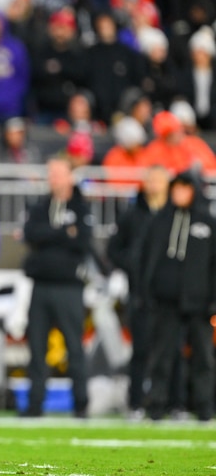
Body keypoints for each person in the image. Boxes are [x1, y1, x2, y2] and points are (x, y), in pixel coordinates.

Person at [138, 171, 215, 422]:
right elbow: (146, 258)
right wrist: (146, 290)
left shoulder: (207, 222)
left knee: (203, 357)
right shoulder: (160, 220)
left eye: (185, 189)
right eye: (176, 189)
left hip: (199, 303)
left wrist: (213, 300)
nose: (180, 194)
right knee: (162, 356)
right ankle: (158, 405)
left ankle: (204, 407)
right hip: (165, 300)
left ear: (194, 191)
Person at [21, 156, 92, 418]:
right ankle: (34, 405)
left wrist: (48, 235)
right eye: (50, 173)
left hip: (69, 287)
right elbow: (30, 233)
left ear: (70, 176)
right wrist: (63, 232)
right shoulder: (40, 205)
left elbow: (83, 241)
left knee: (75, 347)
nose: (53, 178)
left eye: (58, 173)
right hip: (41, 286)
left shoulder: (82, 207)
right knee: (36, 348)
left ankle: (81, 405)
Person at [106, 165, 170, 419]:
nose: (153, 184)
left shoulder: (174, 216)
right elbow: (113, 250)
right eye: (150, 179)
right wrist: (132, 265)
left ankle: (167, 403)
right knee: (140, 350)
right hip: (139, 294)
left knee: (169, 352)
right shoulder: (132, 214)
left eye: (158, 179)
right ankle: (136, 403)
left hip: (169, 296)